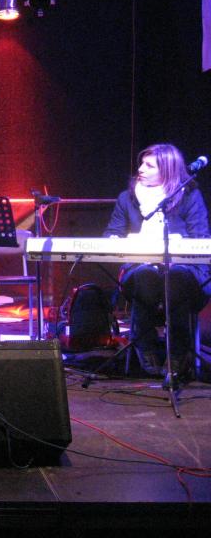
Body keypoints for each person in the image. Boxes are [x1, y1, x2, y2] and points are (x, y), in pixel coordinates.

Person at [104, 143, 211, 382]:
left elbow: (201, 239)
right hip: (140, 272)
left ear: (167, 171)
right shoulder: (127, 198)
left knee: (176, 278)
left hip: (185, 273)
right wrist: (114, 240)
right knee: (145, 276)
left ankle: (178, 354)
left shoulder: (189, 195)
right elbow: (112, 233)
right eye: (142, 163)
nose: (141, 169)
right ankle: (146, 348)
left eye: (149, 165)